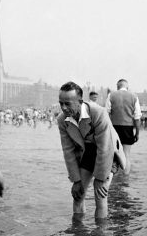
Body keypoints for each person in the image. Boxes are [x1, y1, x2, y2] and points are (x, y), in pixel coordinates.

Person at [57, 81, 126, 221]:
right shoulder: (62, 120)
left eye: (67, 103)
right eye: (61, 103)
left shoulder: (98, 112)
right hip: (88, 151)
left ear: (80, 101)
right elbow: (68, 152)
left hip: (109, 151)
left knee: (100, 194)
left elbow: (105, 148)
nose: (63, 108)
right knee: (78, 195)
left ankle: (101, 235)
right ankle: (77, 234)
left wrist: (100, 177)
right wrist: (76, 180)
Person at [105, 79, 142, 175]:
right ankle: (125, 180)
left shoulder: (111, 95)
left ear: (117, 87)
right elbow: (137, 117)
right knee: (126, 155)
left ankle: (113, 180)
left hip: (114, 128)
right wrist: (137, 133)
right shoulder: (134, 96)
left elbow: (106, 114)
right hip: (128, 128)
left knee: (113, 156)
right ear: (127, 87)